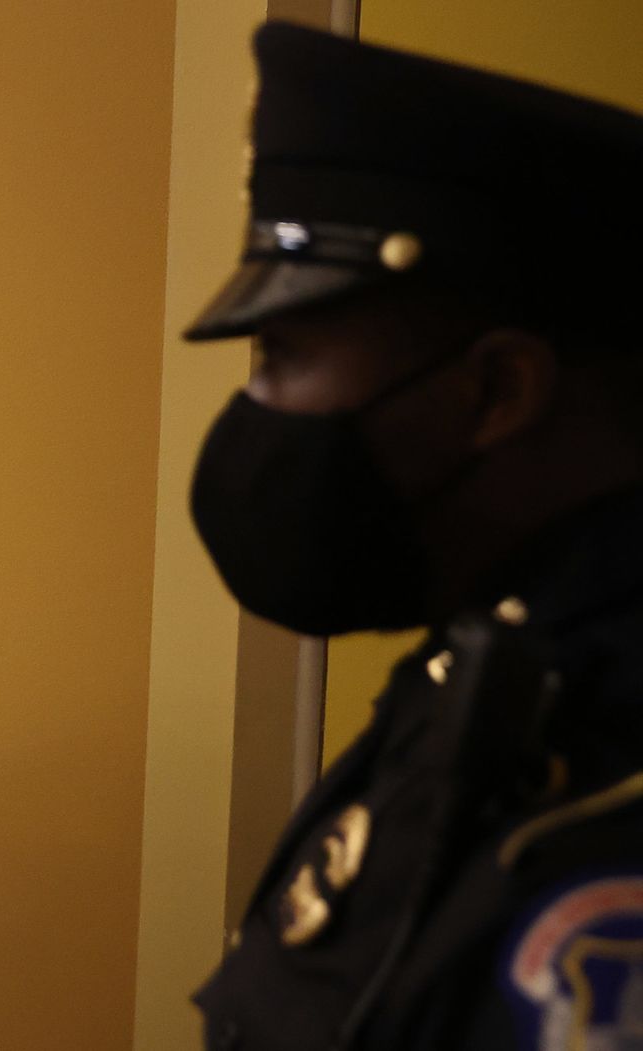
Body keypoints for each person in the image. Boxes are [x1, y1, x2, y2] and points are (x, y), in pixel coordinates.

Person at [183, 21, 643, 1051]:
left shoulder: (598, 780)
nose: (257, 408)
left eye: (281, 355)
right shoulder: (496, 689)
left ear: (495, 390)